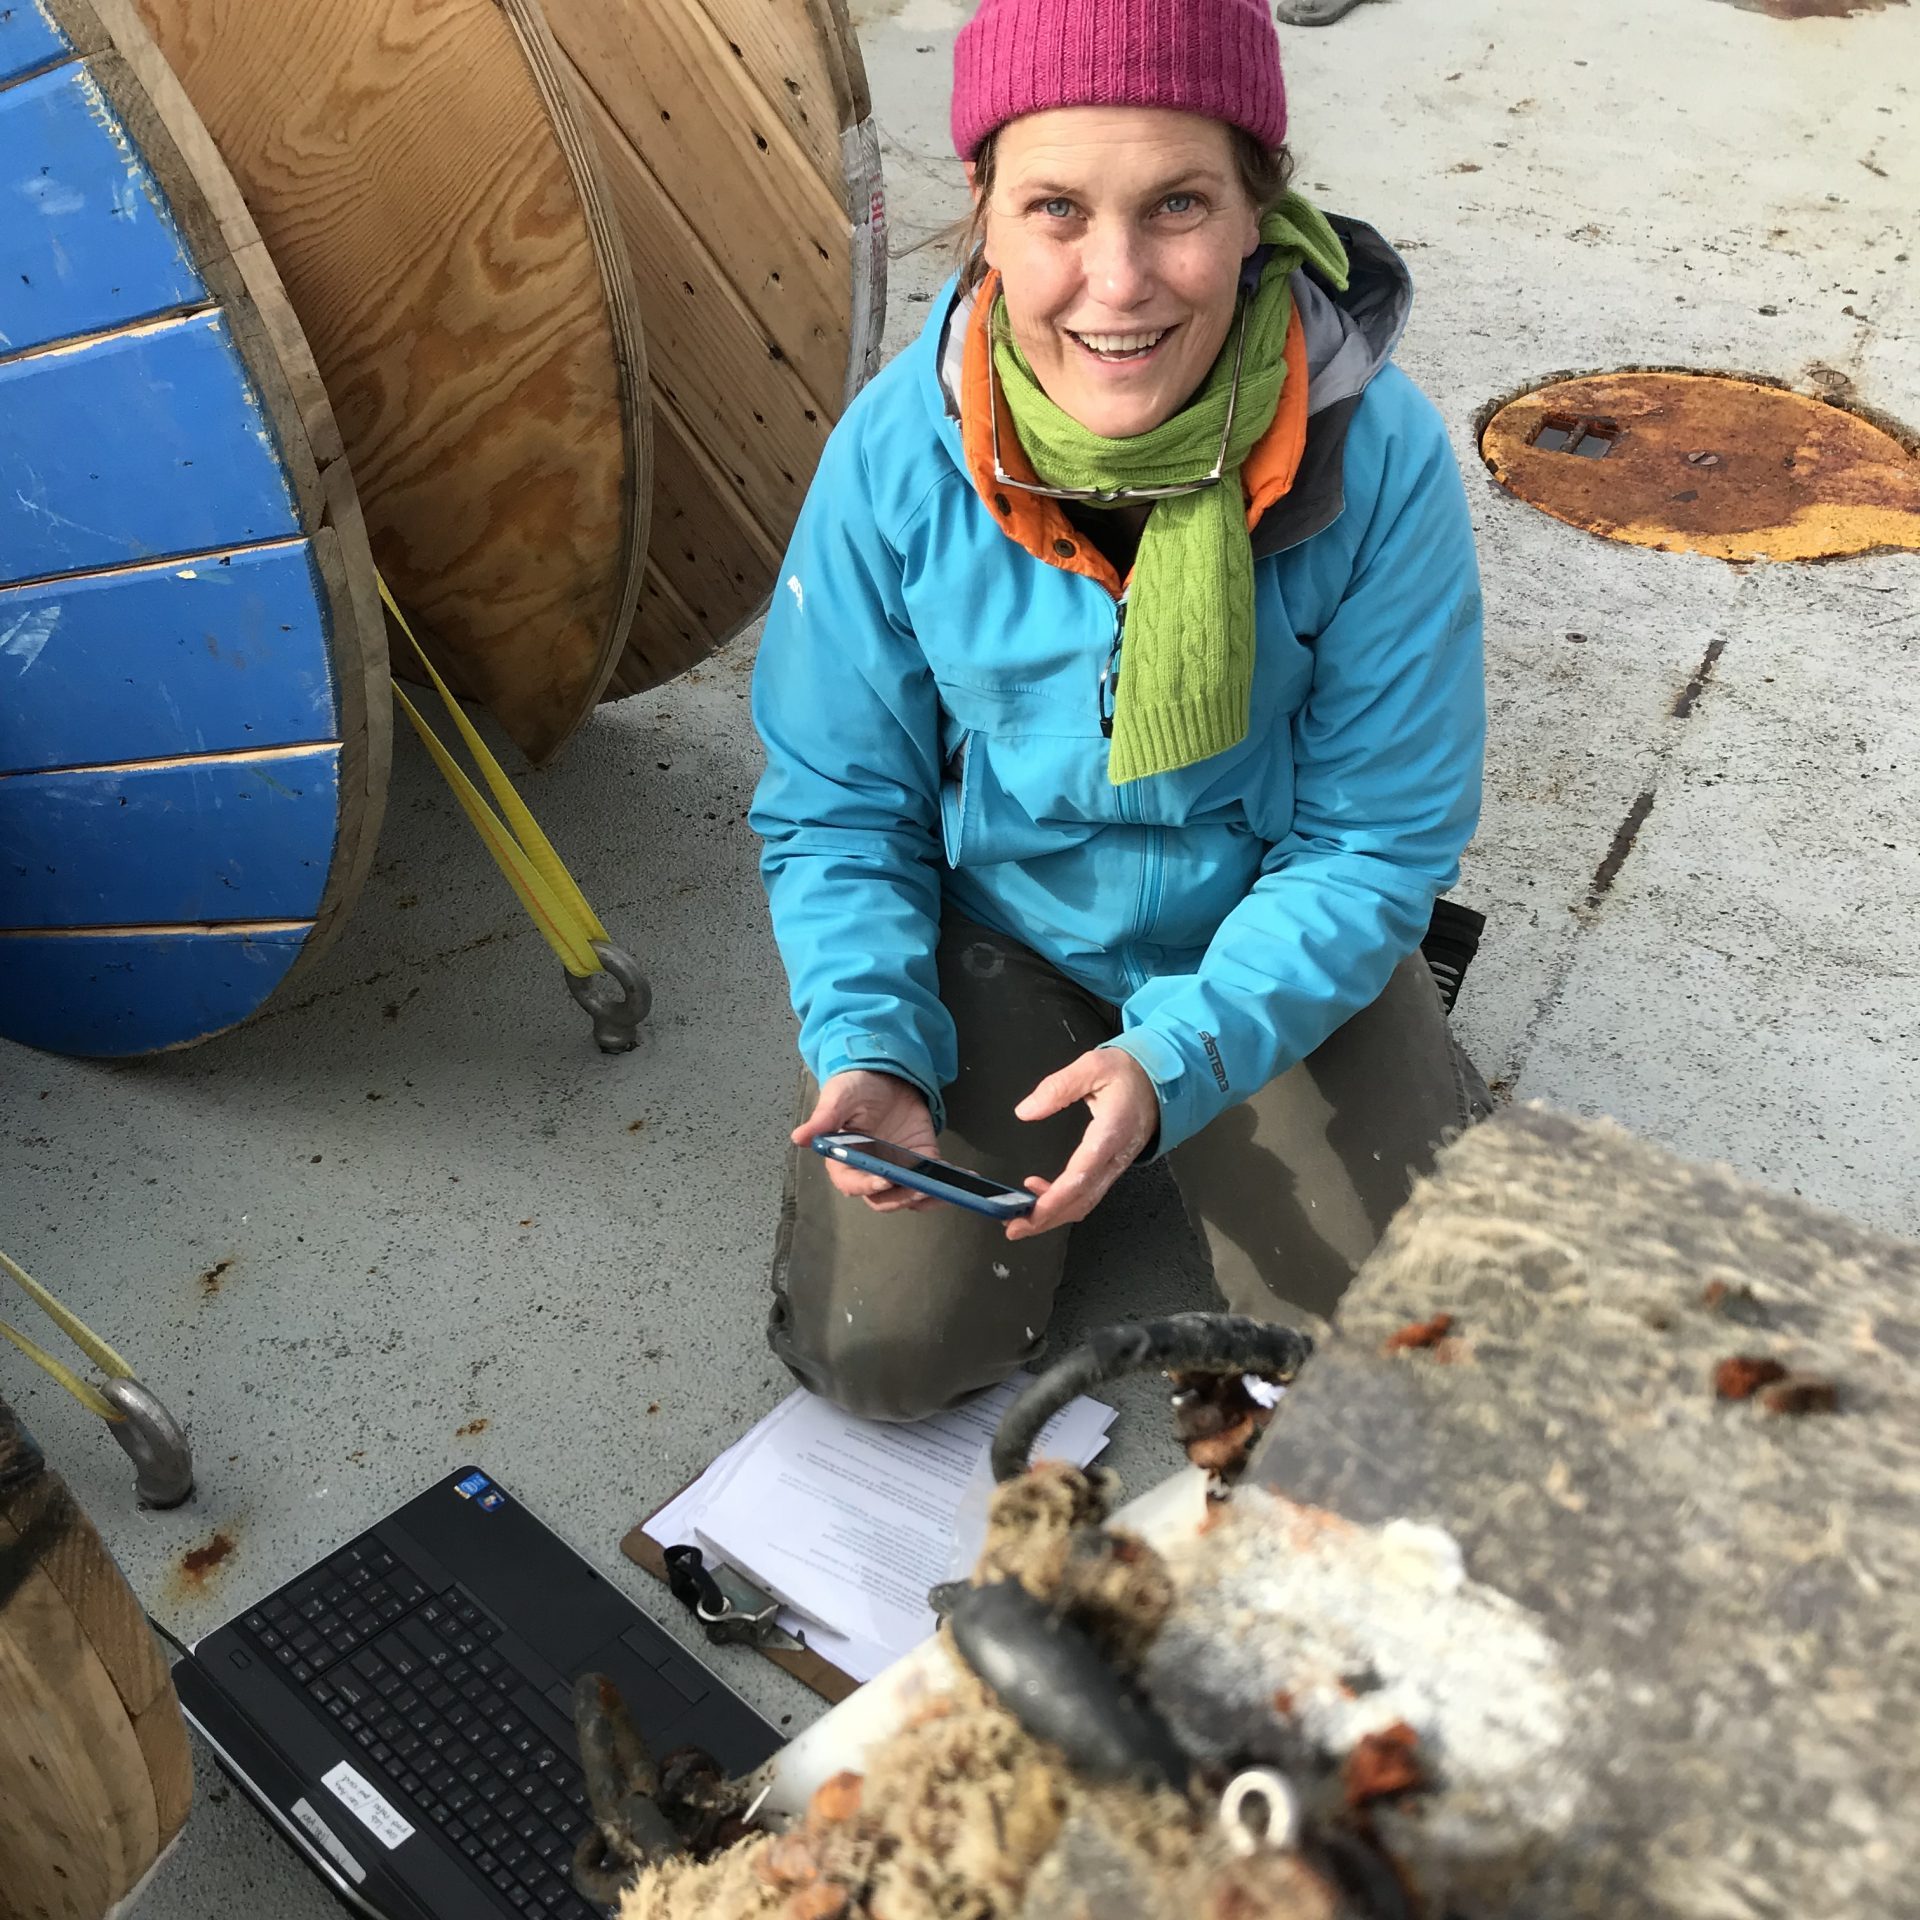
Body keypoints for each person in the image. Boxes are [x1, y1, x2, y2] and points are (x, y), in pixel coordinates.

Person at [750, 0, 1487, 1422]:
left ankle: (1360, 1051)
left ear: (1260, 203)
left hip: (1264, 920)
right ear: (981, 213)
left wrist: (1180, 1054)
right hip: (1009, 930)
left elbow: (1375, 840)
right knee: (879, 1361)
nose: (1119, 280)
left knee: (1390, 1390)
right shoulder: (897, 456)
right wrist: (869, 1042)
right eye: (1055, 210)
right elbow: (840, 804)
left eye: (1179, 205)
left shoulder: (1382, 458)